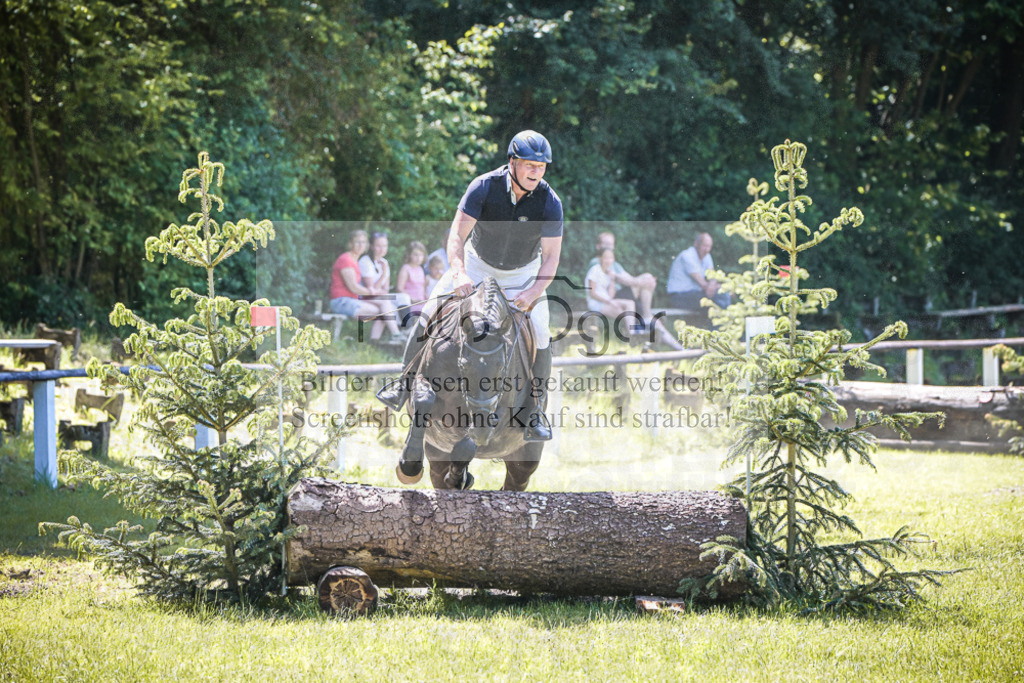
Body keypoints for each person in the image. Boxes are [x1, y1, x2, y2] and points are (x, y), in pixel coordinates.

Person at [378, 130, 563, 442]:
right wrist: (460, 273)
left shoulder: (550, 202)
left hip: (523, 272)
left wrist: (532, 293)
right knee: (430, 308)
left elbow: (553, 256)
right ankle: (404, 382)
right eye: (530, 165)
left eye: (541, 166)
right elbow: (456, 237)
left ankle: (534, 410)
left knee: (542, 330)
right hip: (476, 264)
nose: (536, 172)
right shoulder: (483, 187)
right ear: (512, 162)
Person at [586, 233, 682, 349]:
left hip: (623, 298)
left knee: (654, 321)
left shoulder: (614, 264)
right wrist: (642, 282)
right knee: (645, 280)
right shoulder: (596, 262)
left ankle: (680, 348)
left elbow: (629, 278)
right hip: (615, 299)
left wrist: (644, 281)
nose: (608, 247)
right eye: (605, 244)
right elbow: (621, 280)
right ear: (598, 246)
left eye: (611, 244)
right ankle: (645, 324)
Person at [329, 230, 407, 344]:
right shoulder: (346, 259)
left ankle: (374, 343)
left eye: (363, 242)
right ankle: (395, 334)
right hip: (341, 302)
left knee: (385, 309)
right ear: (350, 244)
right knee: (385, 309)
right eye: (357, 242)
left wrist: (372, 291)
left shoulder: (354, 260)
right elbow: (353, 288)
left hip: (352, 300)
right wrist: (372, 291)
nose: (361, 245)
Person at [666, 232, 731, 317]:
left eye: (709, 246)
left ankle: (720, 327)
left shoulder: (706, 256)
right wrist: (719, 287)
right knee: (721, 295)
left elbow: (713, 276)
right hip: (679, 296)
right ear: (696, 244)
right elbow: (703, 284)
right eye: (704, 246)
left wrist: (713, 285)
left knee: (721, 295)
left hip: (694, 295)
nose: (707, 249)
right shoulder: (687, 256)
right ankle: (722, 327)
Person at [395, 240, 428, 322]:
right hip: (411, 302)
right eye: (415, 255)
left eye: (421, 255)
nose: (418, 258)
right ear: (409, 255)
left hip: (421, 301)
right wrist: (412, 298)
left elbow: (422, 287)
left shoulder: (420, 268)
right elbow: (399, 288)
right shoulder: (406, 268)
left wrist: (426, 296)